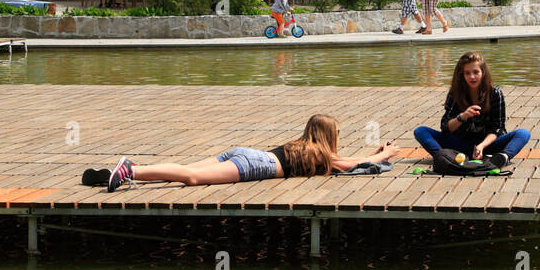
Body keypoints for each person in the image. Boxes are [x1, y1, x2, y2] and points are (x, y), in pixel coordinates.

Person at [99, 114, 401, 191]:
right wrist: (386, 153)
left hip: (246, 152)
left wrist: (376, 154)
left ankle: (135, 171)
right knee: (192, 178)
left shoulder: (304, 146)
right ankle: (131, 171)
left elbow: (351, 161)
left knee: (187, 166)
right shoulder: (320, 154)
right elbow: (356, 163)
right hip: (255, 164)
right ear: (328, 136)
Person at [414, 51, 531, 163]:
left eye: (476, 72)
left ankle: (503, 157)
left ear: (483, 73)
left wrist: (481, 146)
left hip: (487, 145)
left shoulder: (495, 93)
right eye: (467, 73)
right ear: (462, 74)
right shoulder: (456, 93)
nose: (472, 77)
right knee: (421, 131)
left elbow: (498, 129)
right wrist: (462, 117)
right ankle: (444, 158)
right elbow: (445, 127)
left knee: (523, 133)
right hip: (460, 143)